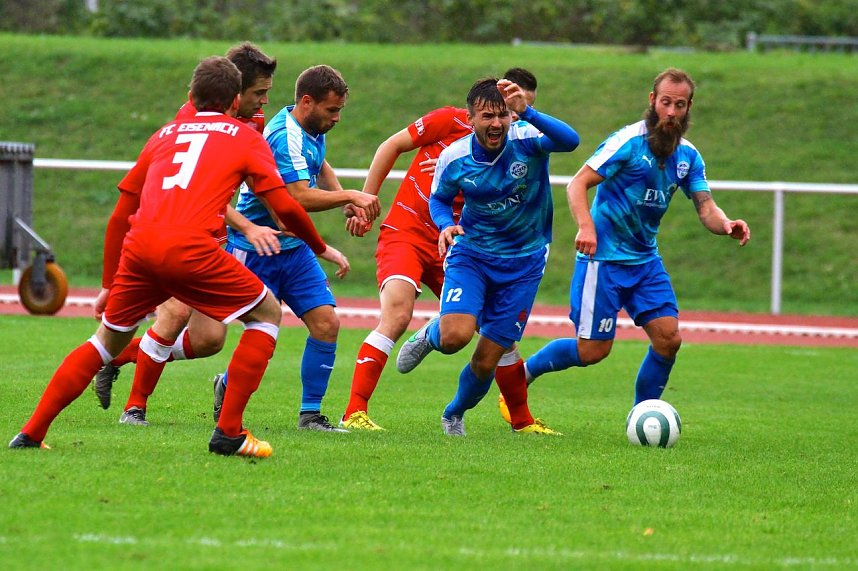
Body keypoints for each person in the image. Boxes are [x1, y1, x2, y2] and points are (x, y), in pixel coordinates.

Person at [9, 56, 346, 457]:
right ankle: (229, 433)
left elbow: (120, 215)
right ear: (235, 100)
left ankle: (30, 432)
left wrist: (108, 283)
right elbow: (287, 207)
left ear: (191, 96)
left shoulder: (164, 135)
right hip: (194, 247)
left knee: (104, 342)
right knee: (266, 315)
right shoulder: (244, 137)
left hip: (140, 249)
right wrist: (320, 246)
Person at [520, 68, 750, 407]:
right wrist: (586, 227)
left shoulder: (688, 157)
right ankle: (524, 373)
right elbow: (577, 183)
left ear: (689, 108)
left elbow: (706, 206)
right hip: (603, 261)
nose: (671, 112)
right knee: (593, 350)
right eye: (666, 103)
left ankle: (643, 414)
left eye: (680, 105)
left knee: (668, 339)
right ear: (653, 100)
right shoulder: (627, 142)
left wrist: (727, 224)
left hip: (645, 262)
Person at [339, 67, 540, 431]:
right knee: (397, 313)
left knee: (496, 332)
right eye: (504, 107)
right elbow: (391, 145)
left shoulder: (517, 143)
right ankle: (354, 413)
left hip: (460, 246)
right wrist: (366, 199)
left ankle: (522, 421)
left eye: (515, 110)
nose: (508, 116)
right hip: (408, 232)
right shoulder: (448, 122)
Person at [91, 42, 284, 419]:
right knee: (175, 313)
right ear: (234, 93)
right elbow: (190, 186)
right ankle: (134, 408)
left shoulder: (253, 121)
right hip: (176, 232)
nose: (263, 104)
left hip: (213, 238)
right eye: (259, 93)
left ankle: (117, 359)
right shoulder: (191, 118)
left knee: (210, 340)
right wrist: (247, 224)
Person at [395, 77, 580, 436]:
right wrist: (445, 224)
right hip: (473, 256)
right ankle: (431, 334)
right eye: (486, 117)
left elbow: (570, 141)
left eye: (502, 116)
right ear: (471, 117)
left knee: (486, 360)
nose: (495, 124)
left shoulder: (526, 138)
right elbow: (439, 199)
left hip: (524, 264)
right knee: (455, 337)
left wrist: (528, 112)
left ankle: (453, 413)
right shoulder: (455, 156)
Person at [211, 64, 380, 433]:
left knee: (326, 323)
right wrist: (350, 196)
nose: (337, 119)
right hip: (256, 247)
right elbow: (297, 196)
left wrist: (342, 198)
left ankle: (310, 415)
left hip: (293, 248)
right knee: (212, 337)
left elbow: (321, 167)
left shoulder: (310, 128)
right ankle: (216, 381)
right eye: (331, 111)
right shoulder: (282, 135)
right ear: (307, 102)